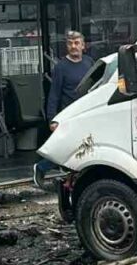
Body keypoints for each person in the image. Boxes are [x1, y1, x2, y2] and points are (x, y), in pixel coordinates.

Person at [34, 30, 93, 187]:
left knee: (85, 149)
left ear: (83, 45)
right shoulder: (61, 67)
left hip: (87, 113)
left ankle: (72, 180)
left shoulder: (89, 63)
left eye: (76, 43)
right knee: (69, 149)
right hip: (69, 116)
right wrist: (52, 119)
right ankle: (41, 167)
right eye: (70, 43)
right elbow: (54, 94)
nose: (73, 46)